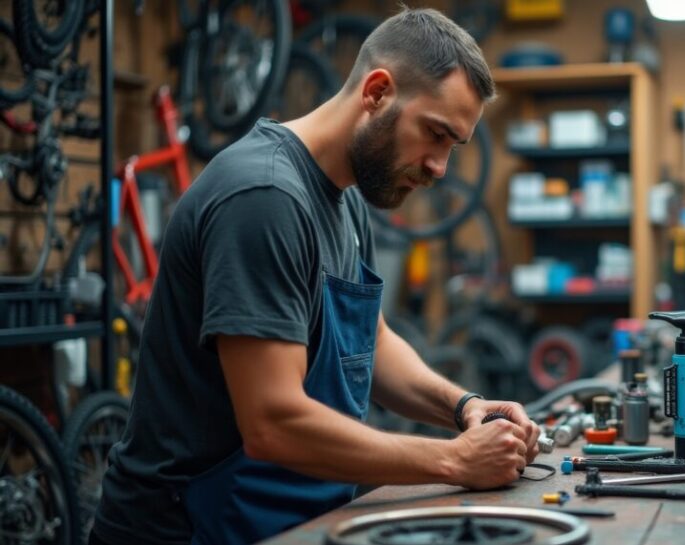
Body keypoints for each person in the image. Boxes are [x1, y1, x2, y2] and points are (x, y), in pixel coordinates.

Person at [91, 7, 540, 545]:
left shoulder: (346, 199)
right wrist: (453, 460)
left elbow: (366, 340)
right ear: (377, 92)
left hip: (283, 519)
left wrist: (465, 409)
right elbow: (273, 423)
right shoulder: (264, 198)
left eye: (453, 146)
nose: (440, 167)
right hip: (187, 527)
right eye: (435, 134)